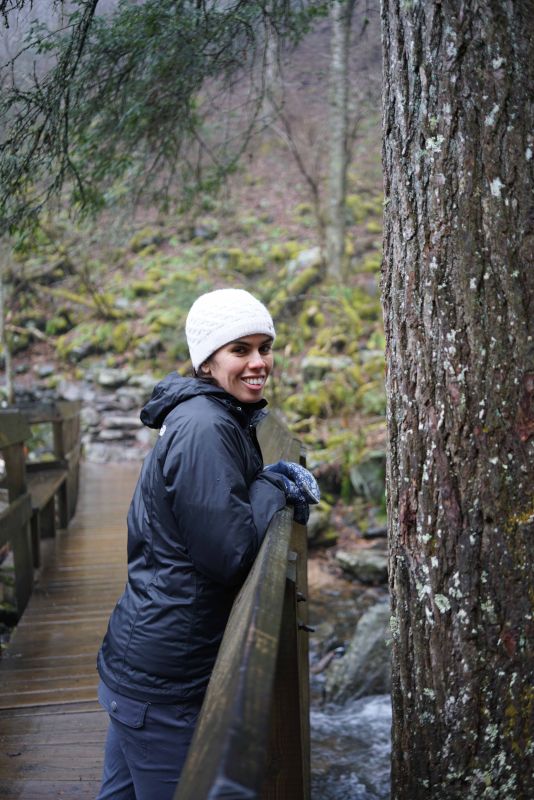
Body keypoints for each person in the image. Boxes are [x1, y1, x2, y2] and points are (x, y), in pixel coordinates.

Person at [95, 288, 319, 800]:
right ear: (206, 361)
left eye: (264, 347)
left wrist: (266, 480)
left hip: (146, 665)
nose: (259, 362)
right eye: (240, 350)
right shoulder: (205, 427)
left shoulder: (216, 414)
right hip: (165, 679)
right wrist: (274, 483)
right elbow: (230, 556)